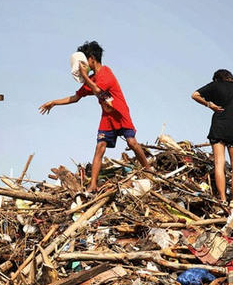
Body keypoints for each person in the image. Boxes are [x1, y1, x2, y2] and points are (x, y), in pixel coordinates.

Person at [40, 41, 152, 192]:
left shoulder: (106, 73)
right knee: (100, 147)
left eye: (86, 61)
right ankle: (93, 184)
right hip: (107, 117)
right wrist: (54, 102)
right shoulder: (91, 78)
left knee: (132, 142)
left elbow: (98, 90)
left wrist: (85, 75)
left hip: (120, 113)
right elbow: (75, 98)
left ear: (92, 59)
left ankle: (148, 169)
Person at [191, 69, 233, 205]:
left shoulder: (215, 85)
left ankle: (223, 198)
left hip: (218, 126)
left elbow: (195, 95)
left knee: (219, 163)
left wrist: (209, 104)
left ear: (217, 78)